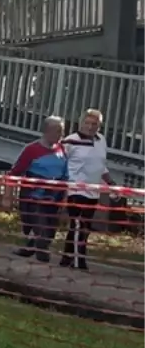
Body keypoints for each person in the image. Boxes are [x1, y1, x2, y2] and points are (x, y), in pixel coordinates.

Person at [61, 107, 113, 271]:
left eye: (95, 124)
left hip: (93, 191)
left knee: (83, 226)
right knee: (79, 224)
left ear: (99, 126)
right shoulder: (71, 140)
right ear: (81, 122)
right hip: (75, 189)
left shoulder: (101, 140)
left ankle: (66, 257)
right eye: (87, 123)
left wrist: (110, 182)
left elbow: (101, 166)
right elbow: (60, 160)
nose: (90, 127)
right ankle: (79, 261)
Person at [9, 115, 67, 263]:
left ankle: (30, 247)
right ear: (47, 131)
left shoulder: (62, 150)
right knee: (41, 230)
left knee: (51, 228)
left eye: (62, 131)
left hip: (54, 198)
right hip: (34, 197)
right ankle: (41, 255)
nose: (61, 135)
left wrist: (65, 197)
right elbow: (14, 173)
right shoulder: (31, 150)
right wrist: (7, 195)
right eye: (58, 131)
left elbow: (66, 175)